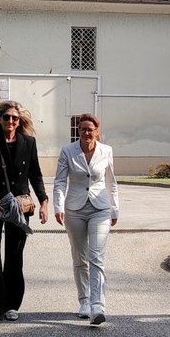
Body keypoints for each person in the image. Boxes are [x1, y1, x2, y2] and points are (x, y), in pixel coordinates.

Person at [0, 100, 49, 328]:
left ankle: (11, 305)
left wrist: (43, 201)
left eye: (15, 118)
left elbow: (35, 174)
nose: (11, 122)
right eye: (7, 117)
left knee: (14, 257)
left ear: (20, 120)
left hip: (19, 207)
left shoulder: (28, 143)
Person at [53, 113, 120, 326]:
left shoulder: (106, 151)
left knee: (96, 256)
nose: (87, 133)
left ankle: (98, 305)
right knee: (80, 258)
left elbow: (111, 182)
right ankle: (84, 301)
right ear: (78, 131)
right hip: (74, 209)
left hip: (100, 208)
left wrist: (114, 209)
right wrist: (58, 205)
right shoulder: (68, 151)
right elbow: (60, 181)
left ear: (97, 131)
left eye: (91, 129)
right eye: (83, 129)